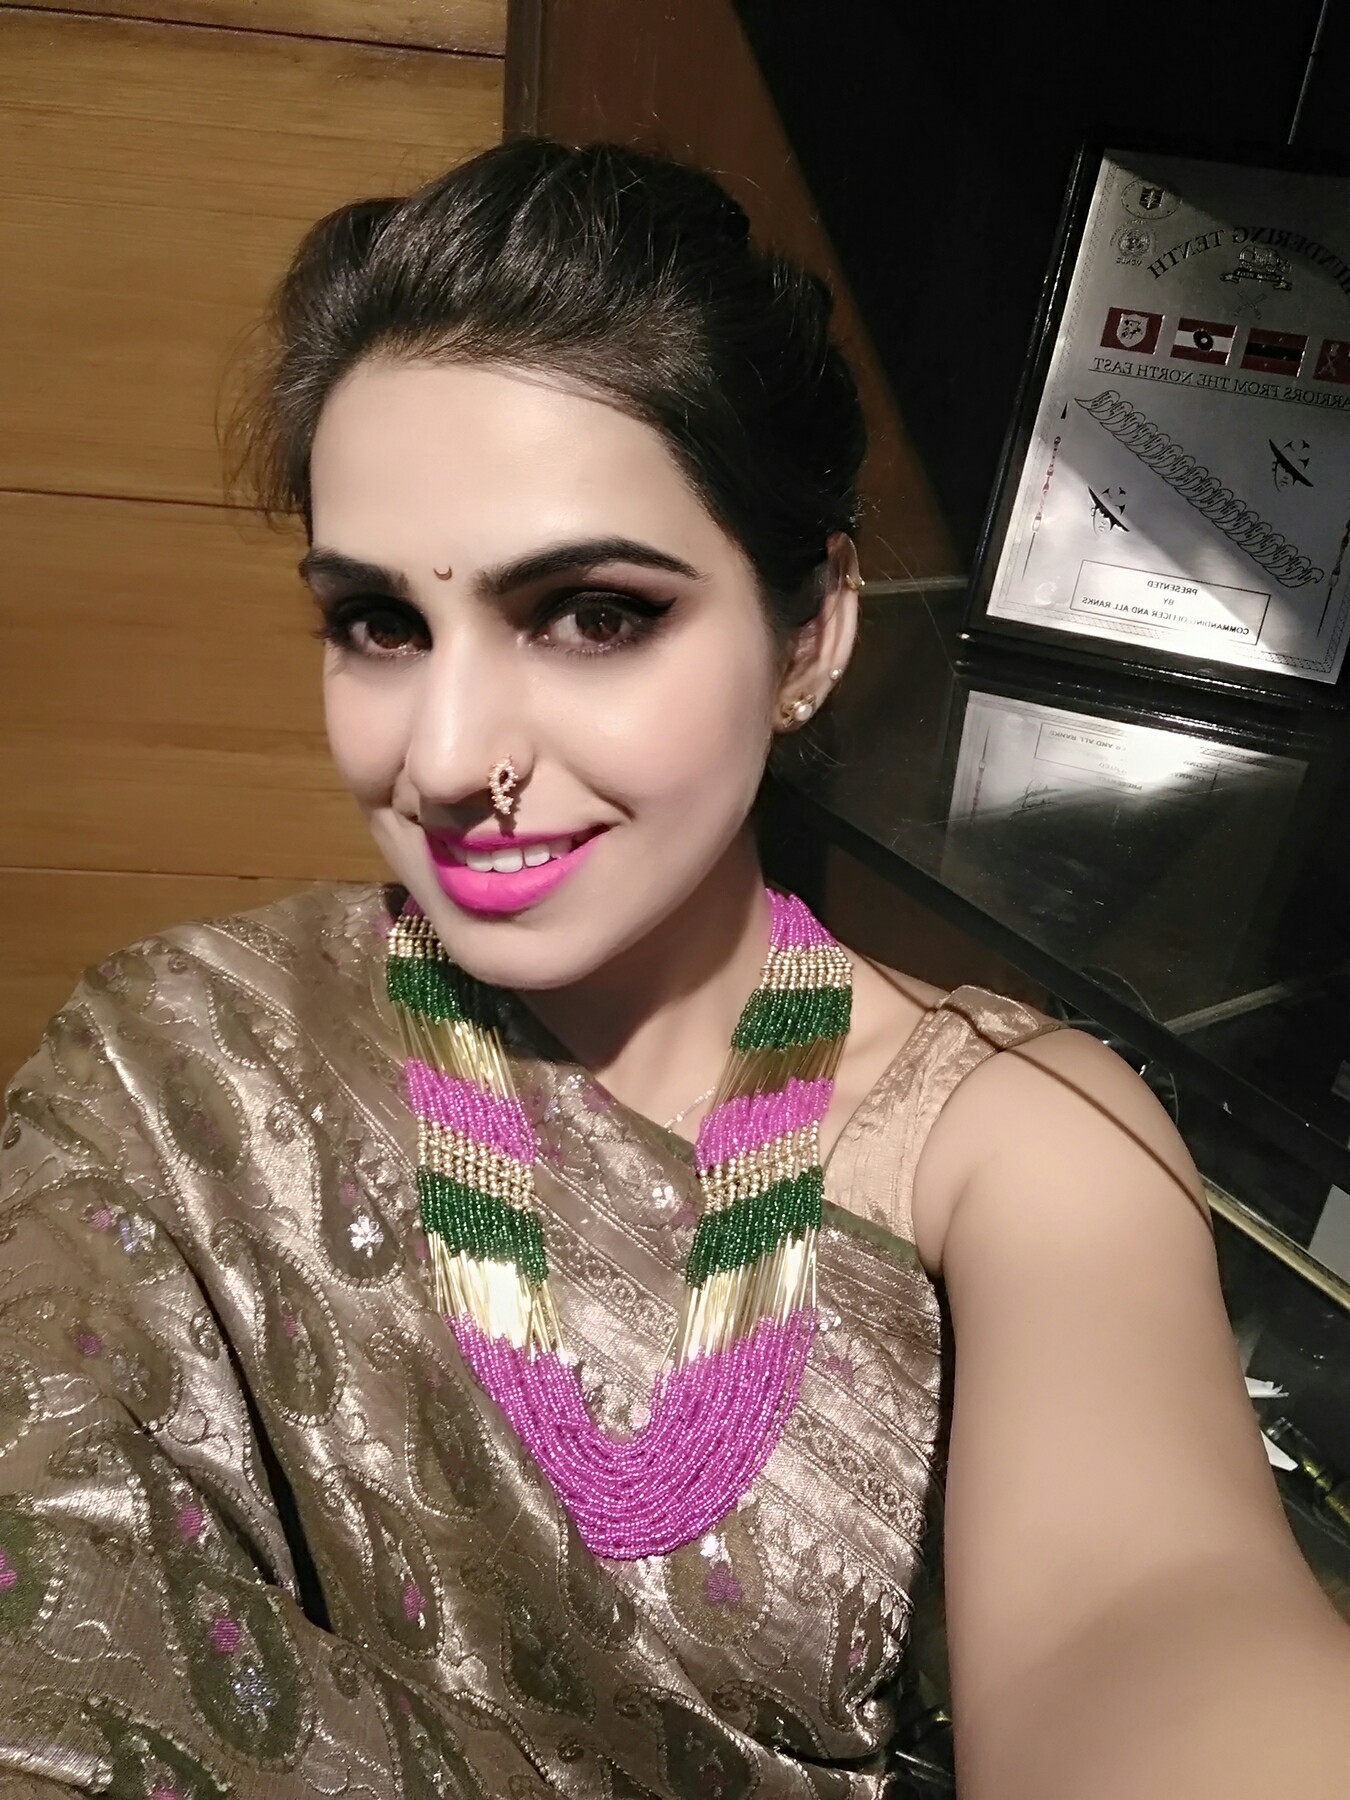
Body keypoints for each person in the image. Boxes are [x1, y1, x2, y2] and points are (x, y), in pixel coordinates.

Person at [0, 139, 1344, 1800]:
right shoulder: (184, 1059)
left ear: (808, 633)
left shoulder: (1004, 1142)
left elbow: (1146, 1622)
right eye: (379, 624)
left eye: (591, 613)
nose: (446, 756)